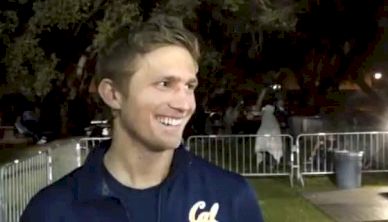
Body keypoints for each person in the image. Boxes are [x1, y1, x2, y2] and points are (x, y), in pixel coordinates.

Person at [21, 15, 264, 222]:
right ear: (113, 94)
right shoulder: (52, 212)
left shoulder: (230, 197)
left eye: (189, 86)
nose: (184, 104)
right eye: (164, 84)